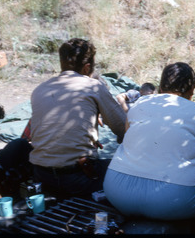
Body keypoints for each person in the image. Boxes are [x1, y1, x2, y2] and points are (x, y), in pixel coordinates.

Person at [104, 62, 195, 234]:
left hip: (117, 192)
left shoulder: (139, 104)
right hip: (174, 201)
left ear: (161, 85)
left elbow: (127, 142)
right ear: (192, 89)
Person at [29, 38, 127, 198]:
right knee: (125, 171)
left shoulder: (39, 89)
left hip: (41, 175)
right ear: (87, 67)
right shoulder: (93, 86)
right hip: (79, 177)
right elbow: (123, 127)